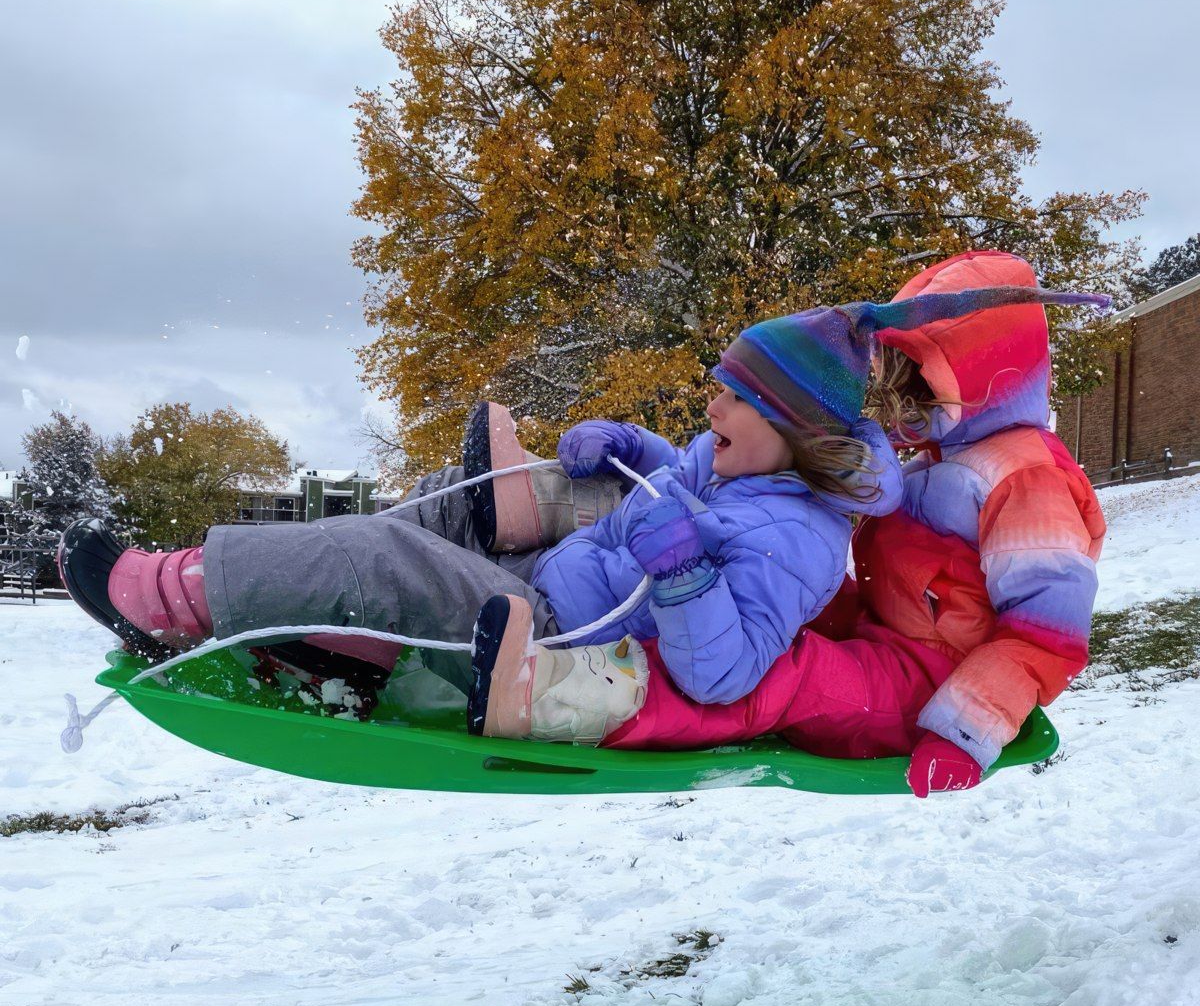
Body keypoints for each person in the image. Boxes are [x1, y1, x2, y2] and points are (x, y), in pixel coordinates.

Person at [56, 305, 902, 718]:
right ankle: (338, 638)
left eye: (733, 396)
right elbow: (676, 478)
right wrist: (632, 449)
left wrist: (681, 572)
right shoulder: (741, 470)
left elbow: (724, 674)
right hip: (551, 580)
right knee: (426, 512)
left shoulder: (802, 540)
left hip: (560, 641)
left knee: (391, 562)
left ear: (792, 426)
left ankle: (174, 596)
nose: (710, 406)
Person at [468, 252, 1108, 797]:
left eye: (925, 385)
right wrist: (638, 455)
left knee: (781, 673)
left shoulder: (1025, 479)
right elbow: (751, 485)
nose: (905, 405)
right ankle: (544, 505)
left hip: (928, 679)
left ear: (987, 378)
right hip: (873, 625)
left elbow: (1045, 634)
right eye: (901, 380)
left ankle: (575, 697)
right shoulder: (937, 457)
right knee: (751, 566)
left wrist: (967, 730)